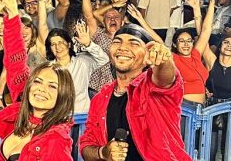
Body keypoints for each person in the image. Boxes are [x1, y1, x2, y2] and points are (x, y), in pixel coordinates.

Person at [79, 24, 190, 161]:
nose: (123, 47)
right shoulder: (100, 98)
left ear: (147, 55)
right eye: (117, 42)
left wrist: (163, 61)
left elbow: (165, 79)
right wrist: (103, 152)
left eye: (134, 43)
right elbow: (86, 146)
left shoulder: (152, 86)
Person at [0, 0, 76, 160]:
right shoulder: (23, 113)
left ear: (63, 96)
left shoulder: (55, 139)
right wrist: (14, 16)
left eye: (52, 86)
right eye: (38, 82)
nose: (41, 89)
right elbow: (15, 62)